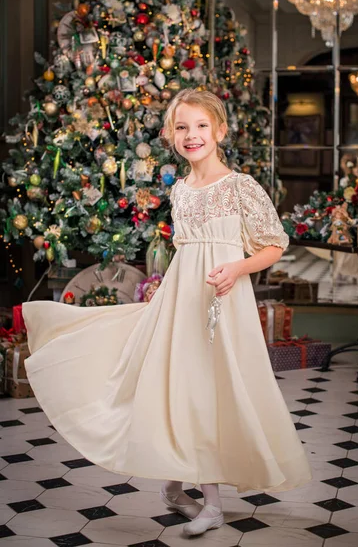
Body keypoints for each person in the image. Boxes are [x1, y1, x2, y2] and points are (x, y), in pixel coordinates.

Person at [22, 88, 312, 538]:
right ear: (169, 135)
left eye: (200, 126)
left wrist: (237, 266)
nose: (191, 135)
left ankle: (203, 500)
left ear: (219, 130)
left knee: (210, 391)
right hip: (181, 303)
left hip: (221, 305)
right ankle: (183, 491)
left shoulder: (240, 188)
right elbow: (184, 254)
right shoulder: (180, 190)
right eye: (182, 127)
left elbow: (275, 243)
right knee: (180, 388)